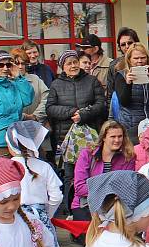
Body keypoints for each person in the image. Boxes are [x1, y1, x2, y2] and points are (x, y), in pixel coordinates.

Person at [47, 50, 107, 215]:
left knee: (94, 172)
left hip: (91, 136)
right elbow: (50, 108)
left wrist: (84, 114)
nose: (73, 66)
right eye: (69, 63)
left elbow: (101, 104)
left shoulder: (92, 81)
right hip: (67, 138)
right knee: (69, 175)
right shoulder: (56, 85)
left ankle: (95, 208)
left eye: (75, 62)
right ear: (62, 67)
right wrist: (71, 112)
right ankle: (71, 210)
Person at [6, 121, 63, 247]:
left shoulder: (7, 167)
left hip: (16, 219)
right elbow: (57, 196)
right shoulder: (44, 166)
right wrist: (46, 214)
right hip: (41, 218)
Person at [72, 120, 136, 221]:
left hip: (114, 206)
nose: (117, 140)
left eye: (120, 136)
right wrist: (109, 189)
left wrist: (97, 187)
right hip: (85, 205)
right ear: (104, 138)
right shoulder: (87, 154)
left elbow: (127, 187)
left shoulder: (128, 157)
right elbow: (80, 188)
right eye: (113, 137)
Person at [115, 43, 149, 142]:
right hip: (130, 126)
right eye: (136, 58)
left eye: (143, 58)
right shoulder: (121, 75)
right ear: (129, 59)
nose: (140, 61)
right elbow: (124, 102)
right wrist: (128, 84)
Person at [10, 48, 49, 123]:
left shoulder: (35, 79)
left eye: (23, 63)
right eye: (17, 64)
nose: (20, 67)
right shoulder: (6, 82)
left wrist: (35, 116)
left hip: (35, 125)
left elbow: (46, 99)